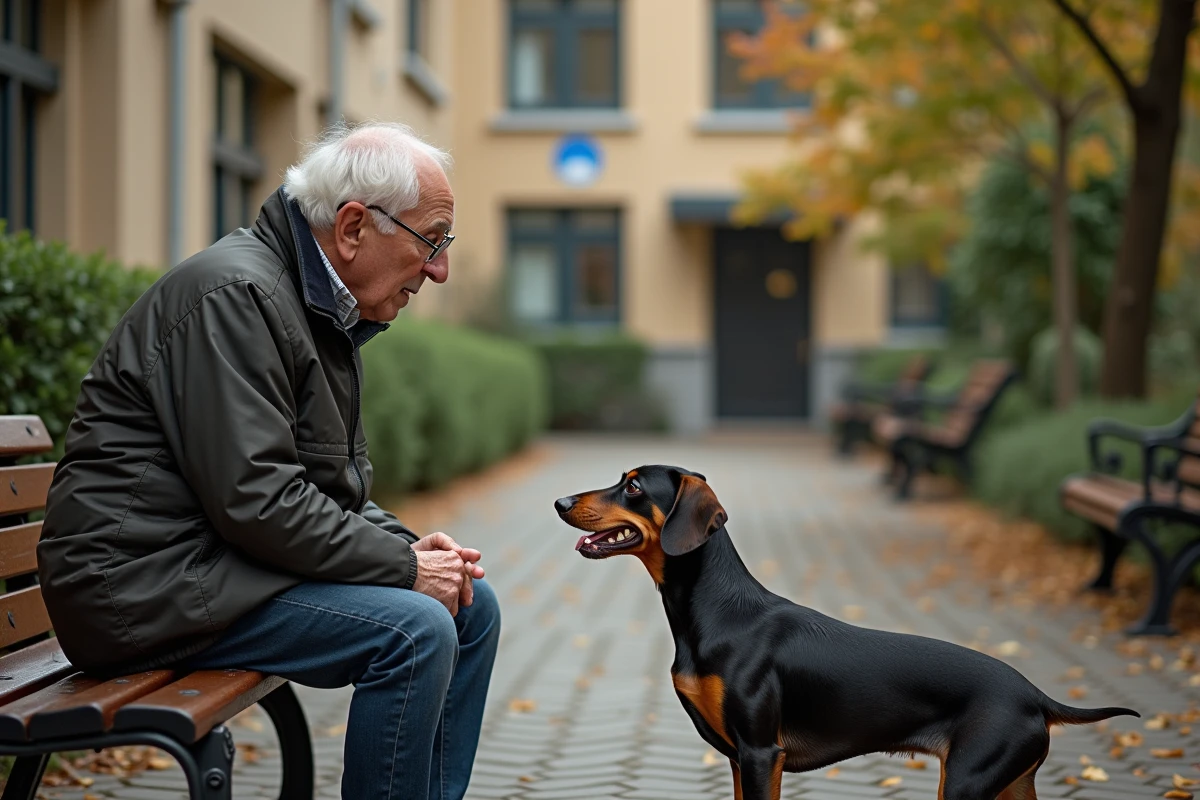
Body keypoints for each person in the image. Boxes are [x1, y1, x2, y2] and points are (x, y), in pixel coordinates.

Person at [38, 121, 499, 800]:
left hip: (210, 570)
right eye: (432, 241)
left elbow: (323, 487)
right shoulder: (236, 296)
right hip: (138, 592)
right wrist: (404, 569)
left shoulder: (310, 306)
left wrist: (412, 548)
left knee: (470, 604)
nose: (439, 269)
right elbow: (259, 501)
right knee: (416, 631)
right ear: (352, 229)